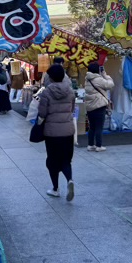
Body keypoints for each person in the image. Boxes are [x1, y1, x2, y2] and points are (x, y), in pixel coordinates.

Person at [38, 64, 76, 200]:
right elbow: (72, 109)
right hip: (68, 131)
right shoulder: (70, 91)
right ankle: (69, 180)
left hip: (52, 132)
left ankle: (55, 188)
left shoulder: (47, 92)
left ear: (51, 77)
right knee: (66, 159)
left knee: (52, 160)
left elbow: (42, 112)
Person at [84, 62, 114, 152]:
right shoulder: (98, 79)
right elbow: (110, 84)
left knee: (92, 126)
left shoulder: (87, 79)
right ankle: (98, 146)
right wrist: (105, 75)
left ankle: (90, 145)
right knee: (99, 127)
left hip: (90, 106)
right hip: (99, 104)